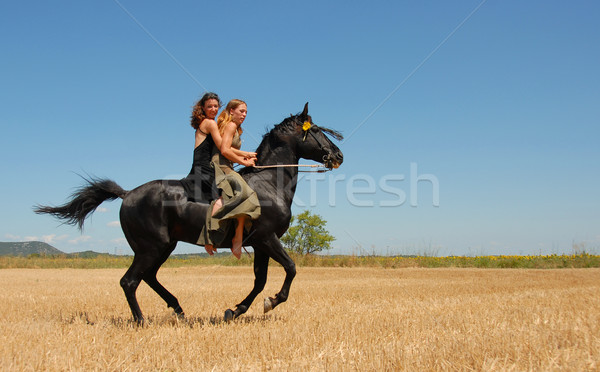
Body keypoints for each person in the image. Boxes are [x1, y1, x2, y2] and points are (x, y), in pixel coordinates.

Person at [199, 99, 261, 259]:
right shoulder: (231, 125)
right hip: (221, 166)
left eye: (246, 112)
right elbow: (225, 150)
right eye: (241, 111)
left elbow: (228, 147)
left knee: (244, 195)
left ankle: (237, 236)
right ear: (231, 111)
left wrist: (246, 153)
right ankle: (217, 237)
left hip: (227, 165)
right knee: (245, 194)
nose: (244, 114)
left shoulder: (233, 127)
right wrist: (244, 161)